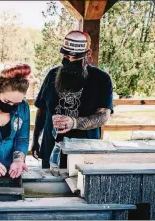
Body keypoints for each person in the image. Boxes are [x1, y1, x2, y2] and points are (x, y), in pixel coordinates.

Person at [31, 30, 113, 169]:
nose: (69, 61)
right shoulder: (52, 74)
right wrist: (35, 140)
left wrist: (74, 122)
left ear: (88, 54)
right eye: (66, 55)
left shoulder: (101, 79)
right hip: (51, 149)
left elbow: (103, 116)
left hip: (84, 153)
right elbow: (42, 110)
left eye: (75, 58)